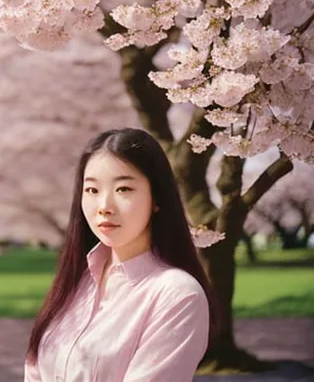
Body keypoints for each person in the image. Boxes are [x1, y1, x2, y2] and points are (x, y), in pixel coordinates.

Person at [24, 128, 219, 382]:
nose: (104, 206)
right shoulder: (77, 280)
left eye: (123, 189)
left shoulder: (177, 295)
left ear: (157, 197)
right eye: (92, 190)